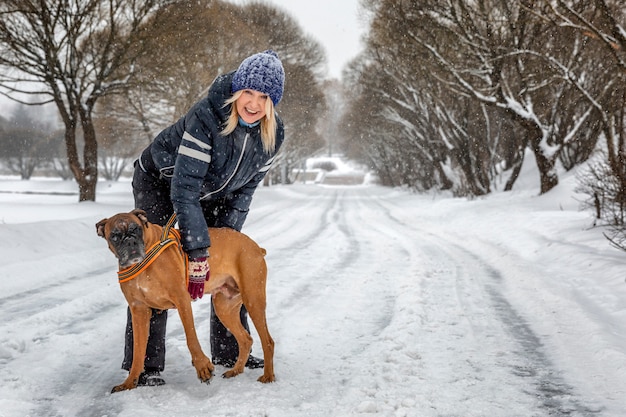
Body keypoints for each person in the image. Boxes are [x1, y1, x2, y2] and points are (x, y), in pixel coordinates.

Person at [122, 50, 285, 386]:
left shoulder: (273, 136)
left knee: (224, 267)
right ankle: (147, 366)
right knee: (154, 268)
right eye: (247, 94)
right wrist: (196, 252)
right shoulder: (208, 116)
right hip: (163, 181)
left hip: (212, 193)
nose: (253, 104)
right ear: (237, 92)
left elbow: (243, 193)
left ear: (272, 103)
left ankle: (229, 350)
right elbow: (183, 190)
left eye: (263, 97)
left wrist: (225, 247)